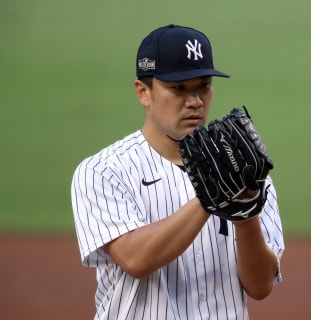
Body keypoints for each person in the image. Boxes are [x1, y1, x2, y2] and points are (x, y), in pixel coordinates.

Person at [71, 24, 284, 320]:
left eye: (203, 86)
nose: (195, 100)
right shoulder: (103, 171)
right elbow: (135, 258)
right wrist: (210, 199)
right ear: (143, 92)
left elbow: (260, 286)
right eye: (179, 88)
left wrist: (245, 211)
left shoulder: (245, 170)